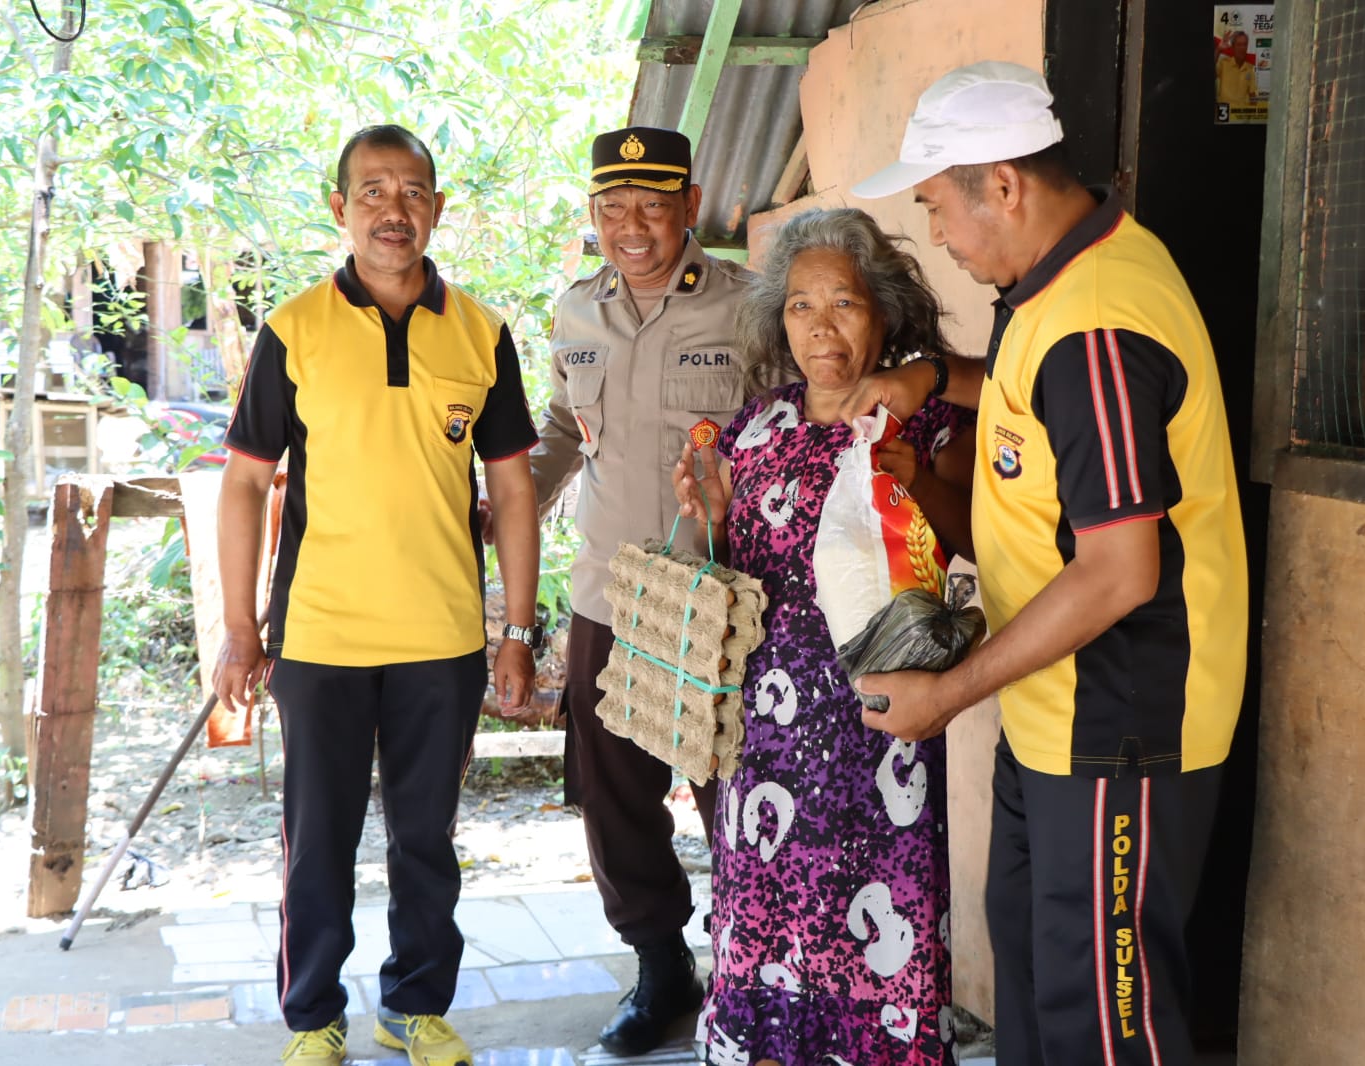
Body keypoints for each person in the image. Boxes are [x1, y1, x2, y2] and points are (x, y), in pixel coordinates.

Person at [848, 62, 1247, 1066]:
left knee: (1107, 1021)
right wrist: (935, 377)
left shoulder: (1094, 324)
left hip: (1120, 723)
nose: (937, 233)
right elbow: (1050, 409)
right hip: (1054, 712)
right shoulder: (1060, 276)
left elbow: (1118, 571)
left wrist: (947, 696)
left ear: (1006, 184)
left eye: (937, 205)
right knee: (1036, 984)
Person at [214, 124, 542, 1066]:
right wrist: (241, 628)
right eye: (372, 192)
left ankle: (414, 1007)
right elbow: (245, 481)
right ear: (340, 208)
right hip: (320, 635)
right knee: (317, 844)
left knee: (426, 841)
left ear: (437, 209)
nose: (393, 212)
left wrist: (516, 630)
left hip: (442, 637)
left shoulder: (482, 333)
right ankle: (314, 1017)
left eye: (412, 193)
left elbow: (512, 486)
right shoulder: (294, 330)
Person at [671, 207, 974, 1066]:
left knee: (874, 950)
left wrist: (917, 484)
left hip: (880, 742)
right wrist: (714, 515)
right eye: (801, 307)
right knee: (768, 938)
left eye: (843, 303)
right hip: (763, 746)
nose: (821, 327)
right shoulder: (758, 424)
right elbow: (736, 568)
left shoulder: (928, 421)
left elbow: (975, 537)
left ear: (883, 312)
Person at [525, 126, 752, 1056]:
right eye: (612, 207)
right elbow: (562, 430)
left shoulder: (746, 307)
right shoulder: (577, 312)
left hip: (726, 603)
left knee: (735, 791)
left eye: (652, 206)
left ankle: (755, 959)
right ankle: (663, 967)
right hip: (608, 597)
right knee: (616, 797)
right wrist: (501, 506)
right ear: (593, 214)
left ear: (690, 208)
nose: (632, 225)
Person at [1214, 30, 1258, 111]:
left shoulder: (1249, 68)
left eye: (1245, 44)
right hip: (1224, 115)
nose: (1242, 48)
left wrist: (1253, 113)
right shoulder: (1224, 63)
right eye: (1239, 45)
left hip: (1242, 116)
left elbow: (1252, 95)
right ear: (1233, 47)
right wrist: (1218, 50)